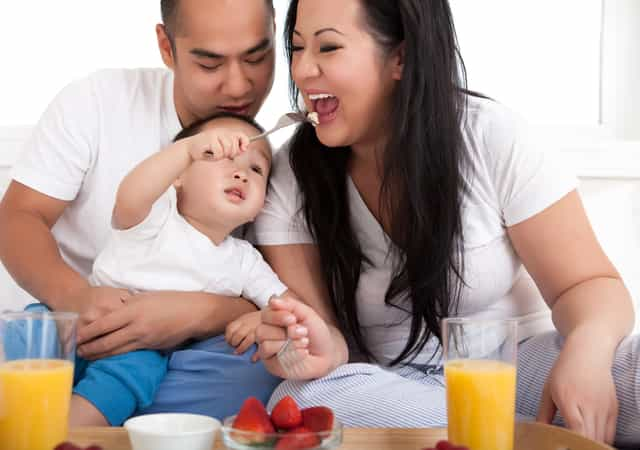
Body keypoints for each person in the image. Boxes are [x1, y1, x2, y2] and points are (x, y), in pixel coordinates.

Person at [252, 0, 640, 446]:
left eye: (328, 48)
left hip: (518, 368)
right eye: (297, 48)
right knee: (303, 397)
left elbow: (590, 284)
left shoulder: (490, 136)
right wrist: (309, 344)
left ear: (401, 57)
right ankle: (527, 436)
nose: (302, 70)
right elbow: (331, 347)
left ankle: (497, 434)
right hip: (391, 389)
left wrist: (586, 356)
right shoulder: (292, 174)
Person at [0, 0, 282, 422]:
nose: (238, 86)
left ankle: (71, 412)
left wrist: (190, 313)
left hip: (173, 354)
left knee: (259, 371)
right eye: (210, 65)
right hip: (79, 318)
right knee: (26, 335)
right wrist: (74, 297)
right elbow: (18, 217)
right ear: (166, 48)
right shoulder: (98, 102)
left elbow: (274, 298)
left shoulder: (269, 160)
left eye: (257, 57)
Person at [25, 113, 288, 426]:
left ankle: (61, 434)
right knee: (29, 326)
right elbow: (131, 194)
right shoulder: (155, 218)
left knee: (132, 377)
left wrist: (262, 316)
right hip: (82, 320)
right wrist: (188, 150)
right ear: (178, 177)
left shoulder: (245, 260)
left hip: (138, 349)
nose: (241, 174)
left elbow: (289, 308)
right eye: (220, 157)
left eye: (256, 169)